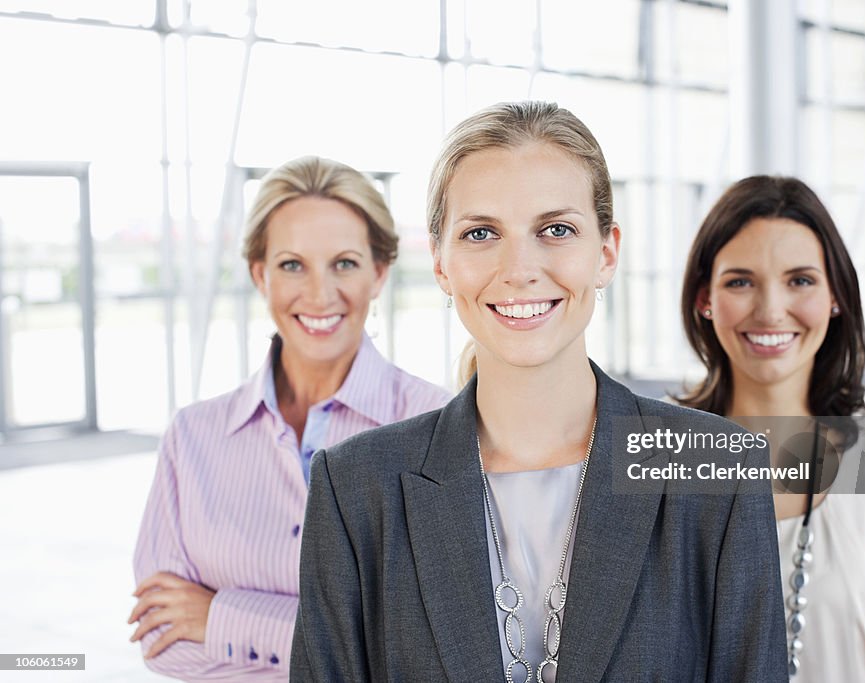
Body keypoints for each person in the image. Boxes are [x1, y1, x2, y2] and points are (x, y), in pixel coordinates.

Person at [291, 102, 788, 681]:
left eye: (556, 229)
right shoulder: (356, 488)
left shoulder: (715, 472)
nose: (520, 267)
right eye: (481, 233)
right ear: (442, 265)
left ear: (606, 254)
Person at [129, 156, 450, 680]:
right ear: (260, 274)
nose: (319, 294)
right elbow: (163, 636)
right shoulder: (191, 438)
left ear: (378, 273)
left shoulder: (436, 427)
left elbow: (425, 651)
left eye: (344, 263)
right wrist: (342, 647)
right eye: (291, 264)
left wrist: (220, 616)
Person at [675, 175, 865, 681]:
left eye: (801, 280)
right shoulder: (660, 456)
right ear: (705, 298)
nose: (770, 310)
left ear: (835, 295)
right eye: (740, 281)